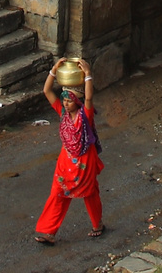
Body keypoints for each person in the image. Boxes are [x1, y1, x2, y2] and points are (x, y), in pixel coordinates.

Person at [34, 56, 105, 244]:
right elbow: (47, 90)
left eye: (69, 100)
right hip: (66, 160)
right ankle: (48, 232)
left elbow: (89, 97)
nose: (65, 103)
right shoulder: (62, 113)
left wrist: (88, 74)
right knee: (58, 192)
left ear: (77, 101)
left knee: (89, 192)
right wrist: (54, 70)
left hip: (84, 161)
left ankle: (97, 224)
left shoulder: (85, 116)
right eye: (64, 99)